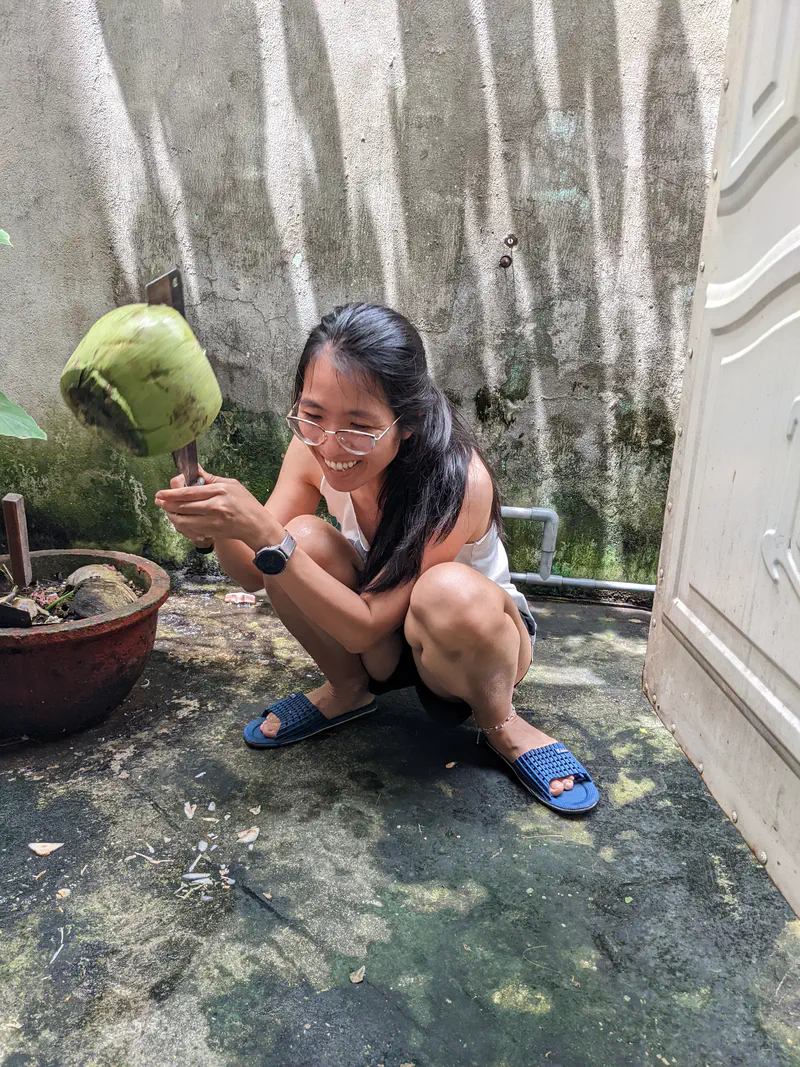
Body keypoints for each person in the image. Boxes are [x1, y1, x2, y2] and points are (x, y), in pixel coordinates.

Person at [155, 303, 598, 813]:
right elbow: (257, 571)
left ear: (405, 423)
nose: (331, 444)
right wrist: (215, 528)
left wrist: (260, 529)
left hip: (473, 643)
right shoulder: (311, 448)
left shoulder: (456, 481)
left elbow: (364, 626)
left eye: (359, 424)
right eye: (313, 414)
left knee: (443, 589)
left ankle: (502, 721)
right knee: (300, 537)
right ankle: (348, 689)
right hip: (380, 631)